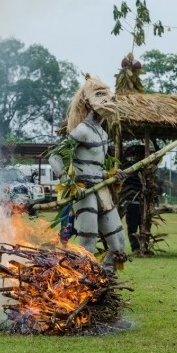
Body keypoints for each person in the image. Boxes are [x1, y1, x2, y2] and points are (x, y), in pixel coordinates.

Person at [64, 75, 127, 273]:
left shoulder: (104, 134)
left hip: (102, 190)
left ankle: (104, 278)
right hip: (84, 191)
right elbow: (56, 158)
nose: (106, 99)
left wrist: (113, 175)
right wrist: (71, 184)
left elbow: (100, 167)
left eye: (108, 95)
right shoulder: (81, 131)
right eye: (99, 95)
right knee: (87, 246)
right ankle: (81, 286)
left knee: (118, 245)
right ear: (88, 102)